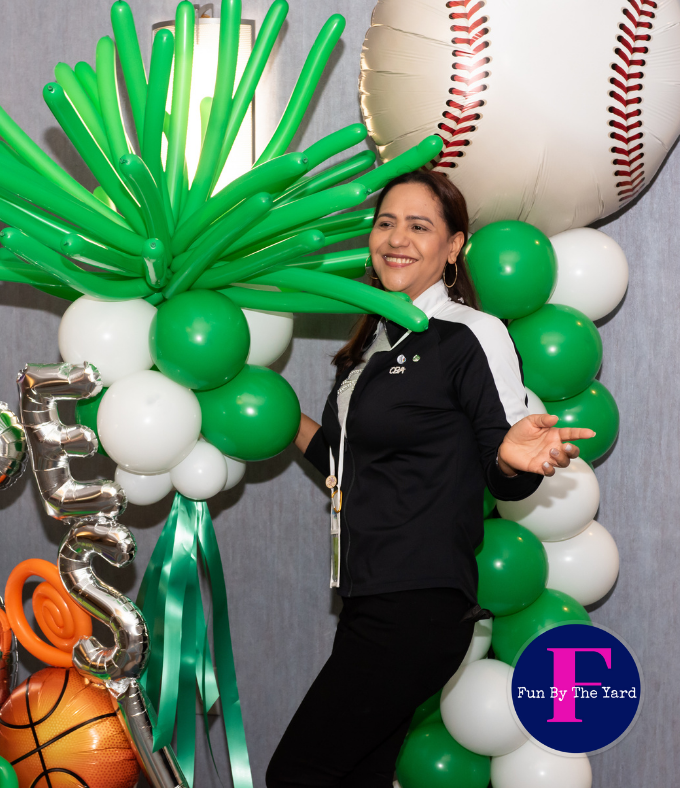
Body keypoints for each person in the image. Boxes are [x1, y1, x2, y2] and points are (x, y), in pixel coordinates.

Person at [265, 170, 595, 788]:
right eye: (386, 222)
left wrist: (511, 457)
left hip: (417, 605)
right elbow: (343, 465)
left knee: (298, 774)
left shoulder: (471, 334)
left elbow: (508, 464)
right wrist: (276, 415)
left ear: (453, 247)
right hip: (369, 598)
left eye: (420, 226)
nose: (397, 238)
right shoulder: (370, 346)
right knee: (358, 777)